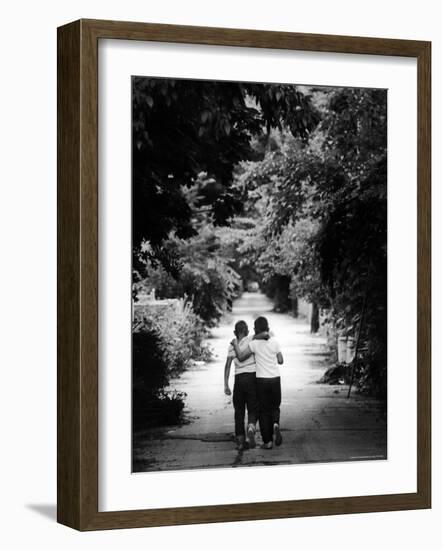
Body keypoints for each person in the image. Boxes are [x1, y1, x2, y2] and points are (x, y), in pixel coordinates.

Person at [230, 316, 284, 450]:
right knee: (275, 406)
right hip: (275, 379)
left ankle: (268, 442)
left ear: (254, 330)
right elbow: (281, 360)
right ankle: (276, 424)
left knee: (264, 411)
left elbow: (241, 357)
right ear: (268, 328)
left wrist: (236, 345)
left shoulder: (254, 344)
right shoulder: (275, 341)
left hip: (261, 380)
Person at [224, 321, 258, 450]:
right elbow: (263, 335)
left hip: (238, 380)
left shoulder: (232, 346)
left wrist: (226, 385)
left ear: (234, 332)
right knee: (253, 407)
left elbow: (227, 366)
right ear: (248, 332)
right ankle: (251, 427)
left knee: (239, 411)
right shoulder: (251, 340)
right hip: (252, 377)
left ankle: (240, 441)